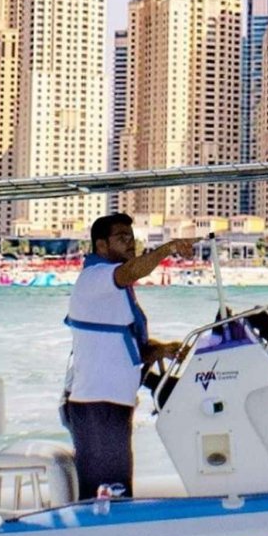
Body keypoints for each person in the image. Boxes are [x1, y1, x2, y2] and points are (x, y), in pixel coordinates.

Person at [62, 213, 194, 500]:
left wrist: (160, 350)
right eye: (121, 238)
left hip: (111, 403)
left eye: (131, 238)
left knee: (117, 485)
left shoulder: (110, 288)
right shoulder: (97, 277)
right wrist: (169, 248)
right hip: (97, 404)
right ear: (101, 245)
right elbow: (132, 271)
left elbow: (120, 345)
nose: (130, 244)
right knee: (107, 493)